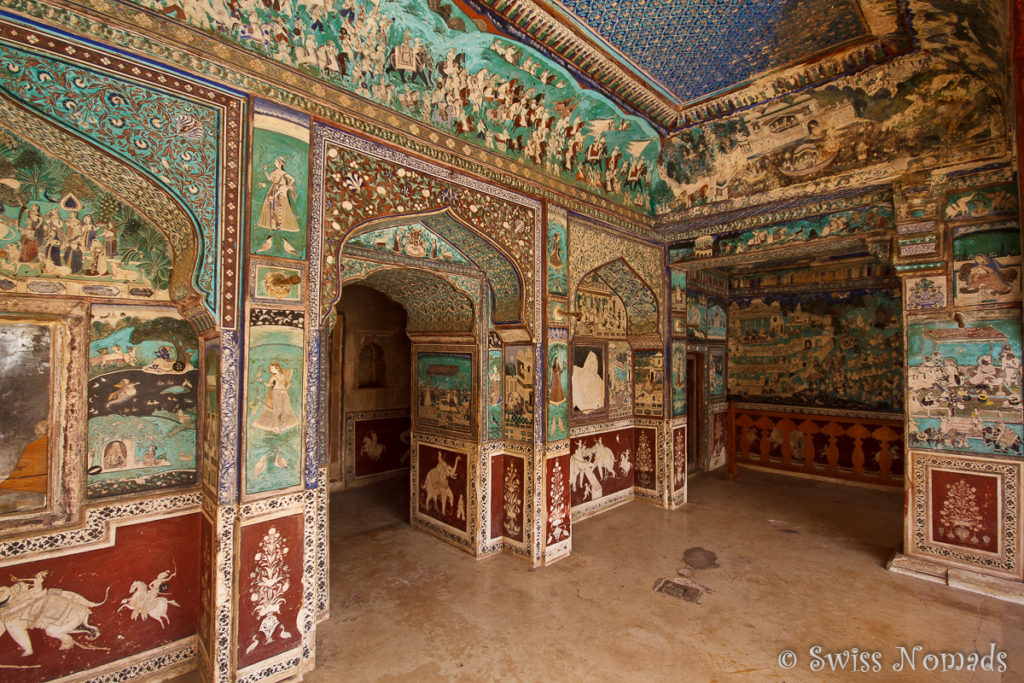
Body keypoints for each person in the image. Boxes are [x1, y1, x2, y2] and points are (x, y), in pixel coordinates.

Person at [256, 157, 300, 233]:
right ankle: (274, 225)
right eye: (274, 162)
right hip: (273, 189)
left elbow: (292, 179)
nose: (274, 163)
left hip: (281, 191)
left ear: (280, 163)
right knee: (272, 206)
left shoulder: (283, 173)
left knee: (282, 206)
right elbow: (270, 179)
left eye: (276, 162)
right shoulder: (274, 171)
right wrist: (265, 171)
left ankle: (280, 225)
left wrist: (287, 185)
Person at [253, 362, 299, 433]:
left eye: (272, 368)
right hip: (276, 393)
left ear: (277, 368)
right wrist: (261, 380)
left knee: (284, 409)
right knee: (277, 411)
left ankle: (282, 426)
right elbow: (269, 385)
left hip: (283, 393)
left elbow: (289, 383)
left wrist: (285, 390)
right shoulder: (273, 377)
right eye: (270, 368)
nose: (271, 370)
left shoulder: (283, 376)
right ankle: (276, 427)